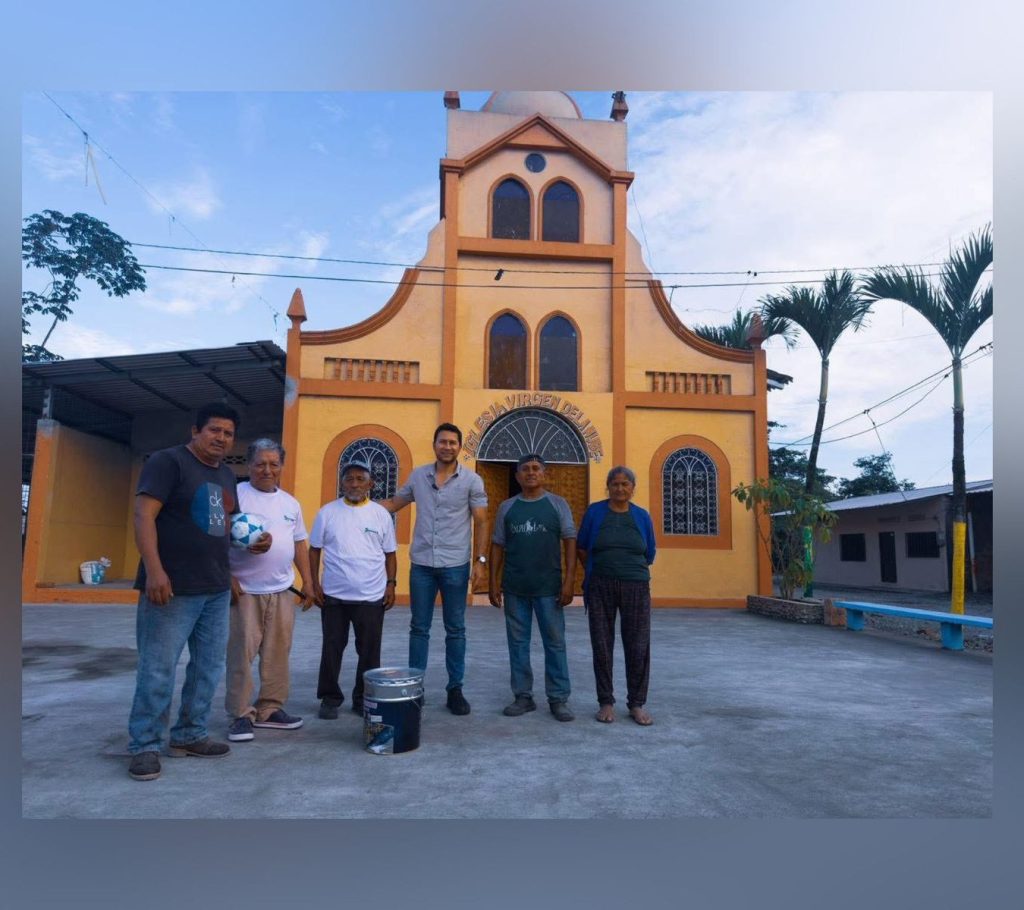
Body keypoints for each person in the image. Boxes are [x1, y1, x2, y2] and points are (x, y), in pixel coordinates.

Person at [127, 402, 272, 782]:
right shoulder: (167, 462)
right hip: (171, 588)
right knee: (158, 668)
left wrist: (252, 543)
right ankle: (145, 744)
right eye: (214, 430)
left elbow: (228, 525)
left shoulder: (226, 475)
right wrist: (155, 570)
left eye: (227, 433)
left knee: (208, 668)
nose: (221, 438)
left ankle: (190, 734)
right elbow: (144, 515)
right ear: (195, 431)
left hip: (215, 588)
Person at [382, 423, 488, 715]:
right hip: (423, 567)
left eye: (453, 442)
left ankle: (455, 689)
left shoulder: (471, 481)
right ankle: (416, 687)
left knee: (456, 629)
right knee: (419, 628)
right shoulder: (419, 476)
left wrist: (480, 562)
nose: (447, 447)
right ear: (434, 444)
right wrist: (356, 505)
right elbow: (394, 504)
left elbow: (481, 521)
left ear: (459, 447)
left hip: (455, 565)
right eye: (443, 442)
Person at [225, 439, 315, 742]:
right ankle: (240, 714)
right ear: (249, 465)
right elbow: (213, 538)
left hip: (282, 590)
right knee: (241, 654)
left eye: (273, 464)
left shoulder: (290, 503)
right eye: (260, 463)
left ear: (281, 467)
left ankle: (270, 709)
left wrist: (310, 583)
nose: (267, 469)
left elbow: (300, 543)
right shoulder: (235, 496)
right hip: (245, 591)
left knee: (278, 653)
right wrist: (227, 576)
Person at [489, 453, 578, 722]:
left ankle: (558, 698)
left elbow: (570, 540)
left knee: (555, 643)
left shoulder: (557, 504)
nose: (530, 473)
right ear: (517, 476)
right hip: (515, 587)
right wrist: (493, 582)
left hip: (549, 588)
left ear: (545, 473)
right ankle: (523, 696)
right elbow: (497, 545)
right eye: (525, 469)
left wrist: (570, 580)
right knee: (518, 644)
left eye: (536, 468)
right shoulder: (507, 507)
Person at [311, 459, 397, 718]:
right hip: (334, 596)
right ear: (342, 482)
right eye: (349, 478)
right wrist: (313, 583)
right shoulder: (327, 512)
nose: (355, 483)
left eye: (361, 479)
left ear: (371, 484)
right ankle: (329, 698)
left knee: (369, 651)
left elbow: (390, 554)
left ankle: (363, 699)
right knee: (332, 648)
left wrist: (391, 585)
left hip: (371, 596)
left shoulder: (381, 514)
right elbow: (314, 550)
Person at [575, 466, 657, 726]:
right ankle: (606, 702)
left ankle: (636, 703)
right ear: (608, 487)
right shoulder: (595, 512)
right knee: (601, 643)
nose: (620, 489)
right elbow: (582, 547)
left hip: (636, 586)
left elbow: (650, 553)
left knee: (638, 645)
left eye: (625, 484)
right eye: (615, 484)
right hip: (600, 585)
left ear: (633, 488)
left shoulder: (642, 517)